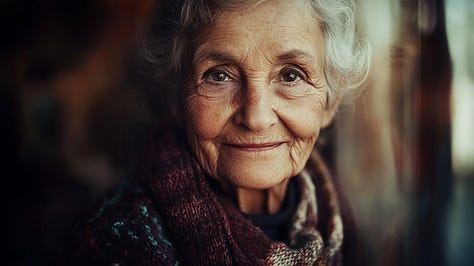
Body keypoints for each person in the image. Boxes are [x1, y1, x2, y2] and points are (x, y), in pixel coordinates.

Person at [65, 0, 370, 265]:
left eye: (291, 75)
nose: (256, 117)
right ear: (176, 98)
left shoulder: (340, 222)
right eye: (219, 75)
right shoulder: (113, 241)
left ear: (330, 103)